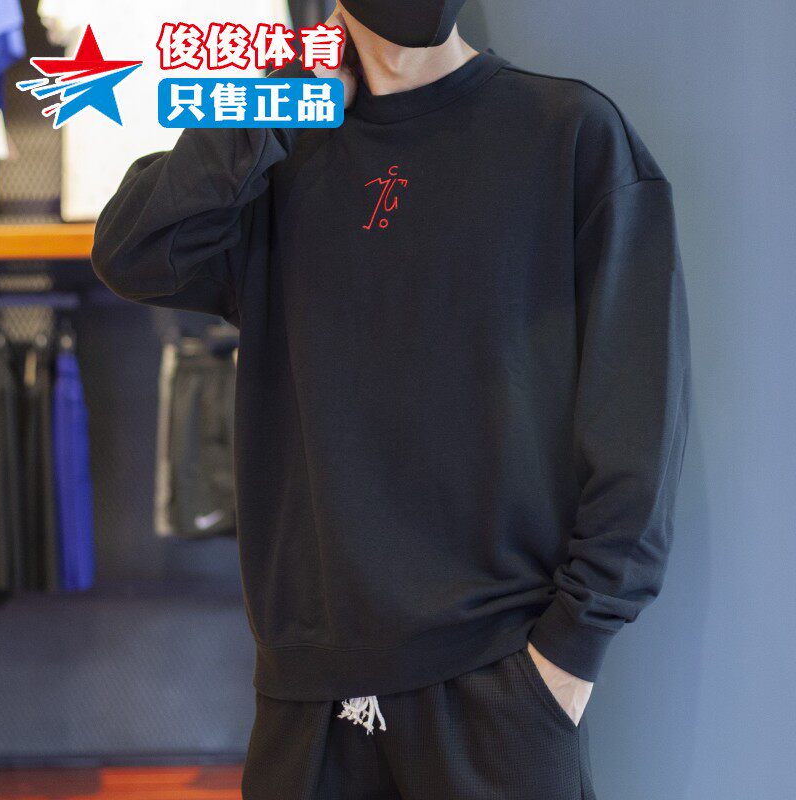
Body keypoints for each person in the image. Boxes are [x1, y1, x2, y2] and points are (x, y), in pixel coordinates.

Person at [91, 0, 692, 797]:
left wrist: (569, 656)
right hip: (307, 695)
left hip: (497, 687)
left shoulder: (569, 136)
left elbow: (636, 424)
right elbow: (133, 252)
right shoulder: (282, 147)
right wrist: (272, 100)